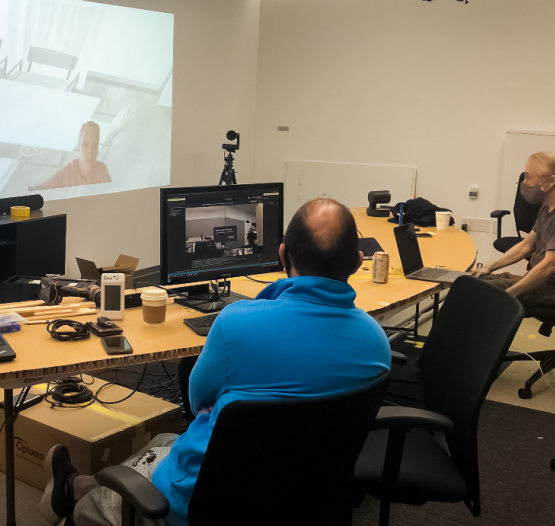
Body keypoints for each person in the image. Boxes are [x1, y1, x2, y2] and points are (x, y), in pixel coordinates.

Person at [38, 198, 392, 526]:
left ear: (283, 255)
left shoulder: (236, 324)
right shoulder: (376, 343)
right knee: (163, 440)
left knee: (98, 506)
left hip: (205, 504)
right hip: (307, 497)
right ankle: (74, 484)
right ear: (358, 261)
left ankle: (73, 499)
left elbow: (196, 403)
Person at [473, 151, 555, 309]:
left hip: (550, 287)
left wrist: (510, 294)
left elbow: (549, 265)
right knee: (475, 281)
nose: (524, 182)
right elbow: (526, 246)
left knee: (479, 292)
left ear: (550, 181)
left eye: (529, 177)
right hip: (540, 281)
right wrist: (489, 267)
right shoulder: (546, 207)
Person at [29, 121, 111, 191]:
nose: (90, 150)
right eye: (85, 144)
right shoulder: (68, 172)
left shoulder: (101, 170)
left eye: (94, 145)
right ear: (78, 148)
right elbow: (44, 187)